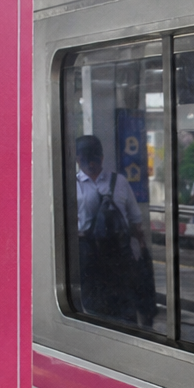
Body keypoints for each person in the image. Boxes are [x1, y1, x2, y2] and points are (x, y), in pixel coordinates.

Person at [74, 135, 146, 322]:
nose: (90, 163)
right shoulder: (73, 185)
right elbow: (136, 220)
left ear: (102, 158)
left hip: (112, 255)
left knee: (121, 305)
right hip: (94, 256)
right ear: (77, 159)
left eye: (93, 159)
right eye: (85, 159)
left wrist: (139, 248)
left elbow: (136, 220)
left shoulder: (119, 182)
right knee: (97, 306)